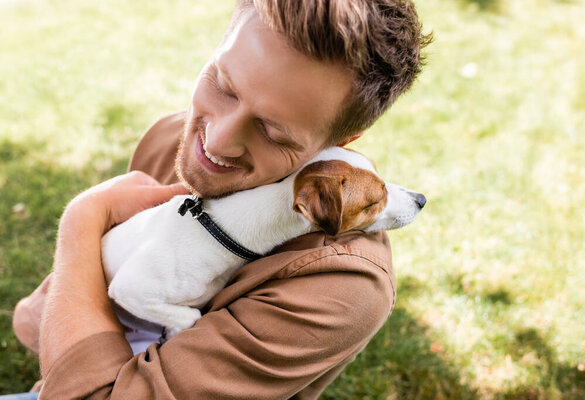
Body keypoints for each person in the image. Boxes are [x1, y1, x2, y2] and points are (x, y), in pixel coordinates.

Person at [11, 0, 431, 398]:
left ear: (338, 142)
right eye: (224, 85)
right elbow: (37, 324)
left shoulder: (340, 290)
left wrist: (82, 219)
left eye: (273, 132)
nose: (216, 141)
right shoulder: (172, 139)